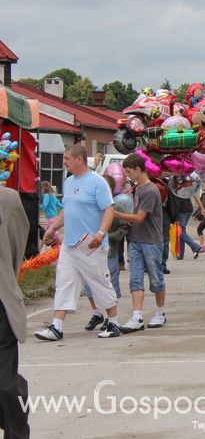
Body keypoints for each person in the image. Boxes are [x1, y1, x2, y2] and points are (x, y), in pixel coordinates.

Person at [35, 145, 121, 341]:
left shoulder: (97, 183)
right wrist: (52, 228)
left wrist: (100, 233)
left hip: (91, 245)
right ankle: (57, 326)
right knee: (64, 283)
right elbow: (67, 210)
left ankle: (114, 322)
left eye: (67, 158)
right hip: (70, 244)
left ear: (79, 159)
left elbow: (109, 210)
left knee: (100, 283)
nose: (64, 162)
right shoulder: (68, 182)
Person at [115, 153, 168, 332]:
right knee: (135, 278)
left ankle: (160, 312)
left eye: (129, 171)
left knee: (156, 278)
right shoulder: (137, 189)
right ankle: (137, 315)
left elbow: (139, 217)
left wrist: (118, 215)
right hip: (135, 239)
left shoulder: (151, 190)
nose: (128, 175)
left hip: (151, 241)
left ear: (139, 169)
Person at [0, 186, 31, 438]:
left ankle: (17, 432)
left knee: (5, 383)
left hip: (0, 305)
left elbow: (16, 247)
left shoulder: (7, 199)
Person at [83, 174, 128, 331]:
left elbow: (123, 229)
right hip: (89, 252)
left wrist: (108, 236)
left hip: (110, 253)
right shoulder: (88, 206)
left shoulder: (116, 207)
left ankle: (111, 317)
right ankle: (97, 313)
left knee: (110, 285)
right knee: (89, 285)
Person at [172, 175, 204, 260]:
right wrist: (202, 208)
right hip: (188, 209)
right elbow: (196, 196)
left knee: (180, 232)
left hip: (181, 211)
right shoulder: (187, 186)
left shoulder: (176, 187)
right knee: (182, 231)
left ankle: (196, 246)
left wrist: (202, 208)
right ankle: (181, 254)